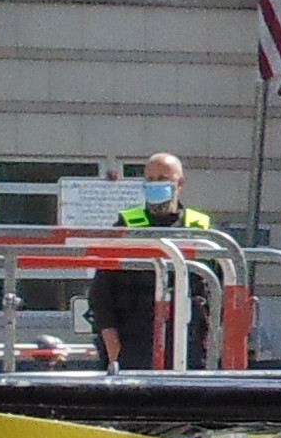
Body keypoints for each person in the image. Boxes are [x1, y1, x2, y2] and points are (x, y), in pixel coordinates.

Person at [90, 152, 215, 370]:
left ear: (181, 183)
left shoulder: (200, 228)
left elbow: (217, 289)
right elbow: (101, 292)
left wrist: (211, 340)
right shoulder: (128, 225)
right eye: (150, 180)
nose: (155, 185)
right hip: (133, 343)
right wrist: (112, 348)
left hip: (188, 343)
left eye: (163, 179)